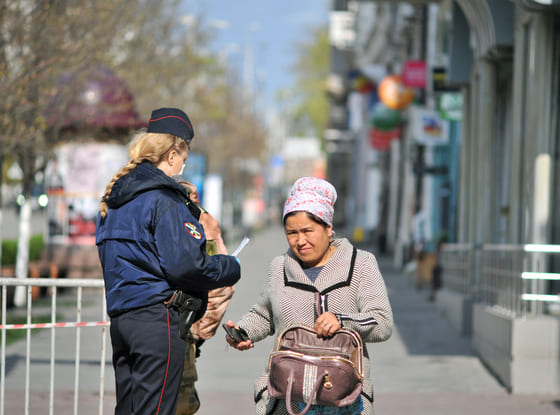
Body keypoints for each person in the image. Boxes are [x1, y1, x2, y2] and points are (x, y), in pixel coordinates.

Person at [96, 107, 241, 415]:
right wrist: (229, 267)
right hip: (156, 322)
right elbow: (185, 266)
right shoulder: (165, 199)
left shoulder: (116, 199)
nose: (182, 166)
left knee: (130, 408)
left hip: (123, 320)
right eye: (183, 158)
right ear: (173, 153)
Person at [224, 177, 393, 415]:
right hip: (287, 399)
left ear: (328, 227)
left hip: (345, 400)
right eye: (291, 233)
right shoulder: (279, 267)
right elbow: (264, 314)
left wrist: (342, 321)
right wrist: (243, 332)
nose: (300, 241)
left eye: (308, 231)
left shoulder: (360, 264)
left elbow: (382, 322)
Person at [174, 178, 235, 415]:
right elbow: (220, 286)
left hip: (138, 333)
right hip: (181, 334)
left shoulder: (138, 212)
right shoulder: (201, 221)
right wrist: (197, 333)